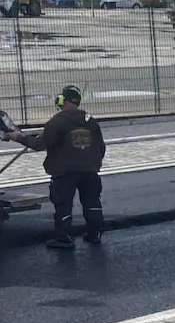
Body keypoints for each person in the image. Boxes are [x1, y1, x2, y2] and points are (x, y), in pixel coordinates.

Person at [5, 85, 106, 248]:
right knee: (92, 202)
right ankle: (95, 234)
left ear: (61, 100)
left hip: (65, 173)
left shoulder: (57, 122)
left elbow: (39, 144)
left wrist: (19, 137)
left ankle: (64, 238)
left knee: (63, 205)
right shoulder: (92, 122)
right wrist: (92, 163)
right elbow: (101, 148)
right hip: (90, 171)